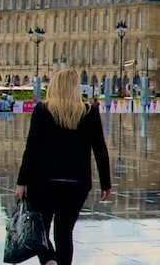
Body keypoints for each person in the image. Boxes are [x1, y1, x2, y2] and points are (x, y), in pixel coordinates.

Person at [16, 68, 113, 265]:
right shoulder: (89, 113)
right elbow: (100, 150)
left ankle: (48, 260)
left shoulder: (43, 110)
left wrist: (21, 182)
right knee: (64, 232)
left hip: (43, 182)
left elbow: (31, 148)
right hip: (76, 184)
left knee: (41, 230)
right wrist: (106, 183)